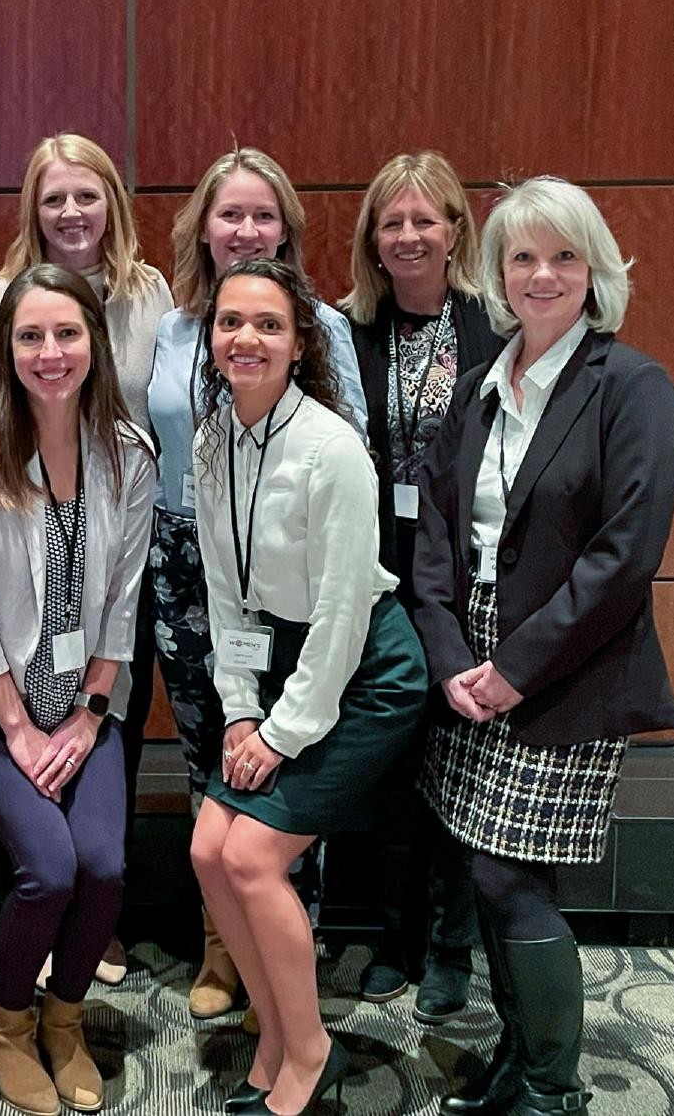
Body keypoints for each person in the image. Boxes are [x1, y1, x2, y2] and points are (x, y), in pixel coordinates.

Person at [414, 177, 674, 1116]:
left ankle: (550, 1088)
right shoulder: (483, 394)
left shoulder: (633, 387)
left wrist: (514, 669)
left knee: (507, 871)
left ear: (596, 268)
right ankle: (517, 1054)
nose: (541, 274)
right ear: (495, 272)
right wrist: (453, 657)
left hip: (563, 662)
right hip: (472, 662)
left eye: (564, 255)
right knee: (485, 871)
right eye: (522, 256)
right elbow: (436, 540)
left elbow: (625, 556)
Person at [0, 264, 155, 1116]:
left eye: (67, 334)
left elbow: (125, 595)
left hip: (84, 702)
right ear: (2, 347)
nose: (50, 353)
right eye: (30, 336)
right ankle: (7, 1024)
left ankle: (65, 1019)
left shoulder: (127, 452)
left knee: (106, 865)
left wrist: (90, 714)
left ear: (95, 341)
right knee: (49, 871)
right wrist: (17, 728)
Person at [188, 258, 427, 1116]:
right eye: (229, 322)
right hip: (277, 664)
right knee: (207, 851)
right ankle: (276, 1029)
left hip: (362, 669)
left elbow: (337, 616)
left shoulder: (333, 448)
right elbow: (225, 589)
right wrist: (241, 706)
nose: (245, 338)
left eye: (267, 325)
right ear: (211, 336)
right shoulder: (214, 436)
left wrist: (280, 733)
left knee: (251, 857)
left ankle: (309, 1047)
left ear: (299, 344)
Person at [146, 145, 368, 1021]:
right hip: (186, 563)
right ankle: (222, 944)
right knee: (215, 752)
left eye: (262, 215)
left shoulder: (322, 325)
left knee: (290, 757)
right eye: (229, 214)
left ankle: (289, 941)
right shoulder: (173, 327)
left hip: (287, 568)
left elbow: (344, 454)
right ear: (203, 225)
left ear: (287, 229)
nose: (245, 229)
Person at [0, 131, 173, 986]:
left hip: (118, 539)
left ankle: (97, 920)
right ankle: (44, 894)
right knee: (25, 737)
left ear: (113, 204)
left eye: (87, 194)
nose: (71, 212)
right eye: (54, 197)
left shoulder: (150, 293)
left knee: (104, 720)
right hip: (23, 545)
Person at [338, 151, 506, 1021]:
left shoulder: (495, 329)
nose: (407, 235)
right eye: (391, 221)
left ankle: (447, 945)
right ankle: (391, 935)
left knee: (453, 760)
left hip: (459, 574)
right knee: (389, 763)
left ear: (454, 231)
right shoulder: (345, 329)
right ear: (372, 236)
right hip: (367, 569)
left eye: (423, 220)